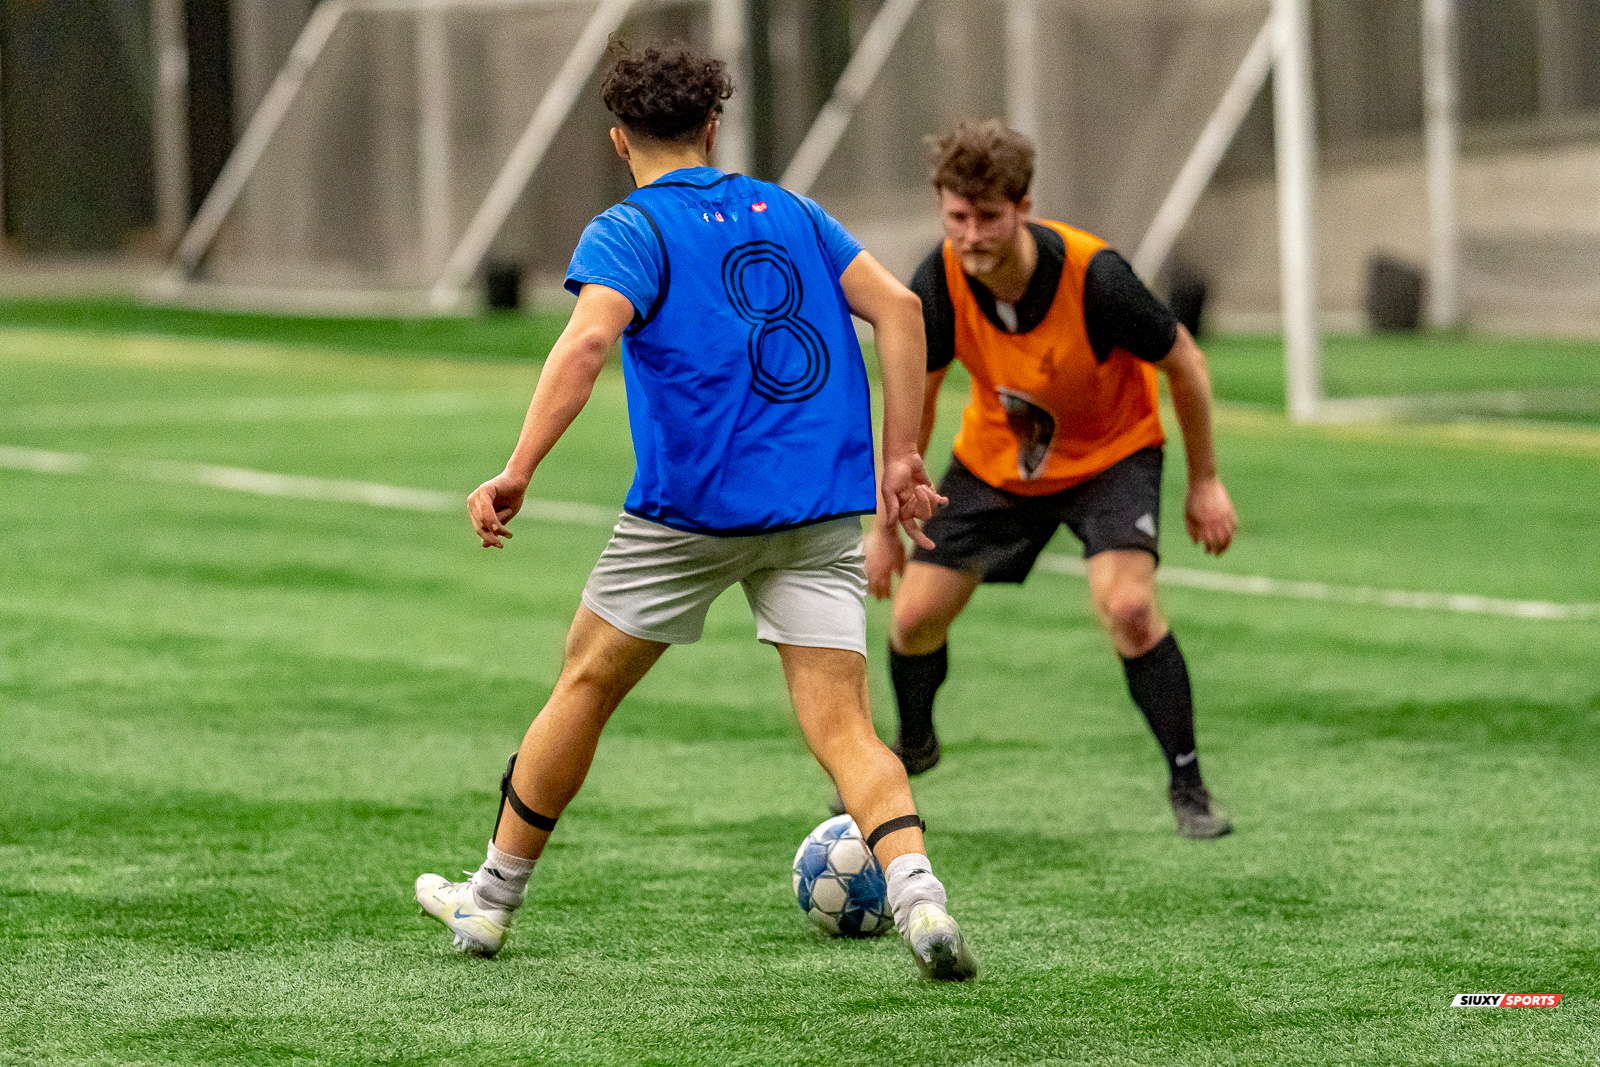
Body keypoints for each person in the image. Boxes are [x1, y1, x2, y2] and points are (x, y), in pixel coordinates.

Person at [415, 41, 977, 981]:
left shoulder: (630, 228)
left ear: (617, 138)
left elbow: (588, 343)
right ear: (713, 125)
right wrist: (903, 457)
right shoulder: (795, 212)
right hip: (819, 508)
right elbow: (904, 312)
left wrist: (517, 469)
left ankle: (490, 901)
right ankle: (922, 900)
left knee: (585, 684)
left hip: (691, 515)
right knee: (845, 729)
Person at [868, 120, 1238, 839]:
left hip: (1111, 456)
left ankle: (1189, 787)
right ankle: (912, 749)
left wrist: (1205, 482)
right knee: (912, 620)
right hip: (998, 461)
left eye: (987, 217)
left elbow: (1185, 362)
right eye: (956, 217)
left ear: (1024, 206)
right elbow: (915, 399)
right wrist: (885, 530)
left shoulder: (1096, 277)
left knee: (1129, 608)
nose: (970, 235)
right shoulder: (937, 278)